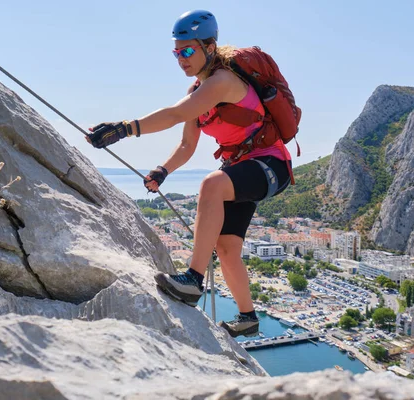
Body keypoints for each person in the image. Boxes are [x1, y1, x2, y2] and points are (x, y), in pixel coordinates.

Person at [86, 10, 292, 338]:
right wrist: (163, 171)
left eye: (186, 51)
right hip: (243, 168)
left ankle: (193, 281)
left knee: (211, 184)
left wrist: (125, 129)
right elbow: (186, 144)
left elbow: (175, 114)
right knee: (226, 248)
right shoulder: (200, 91)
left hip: (269, 165)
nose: (180, 59)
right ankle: (248, 318)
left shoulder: (222, 81)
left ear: (209, 47)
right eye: (176, 53)